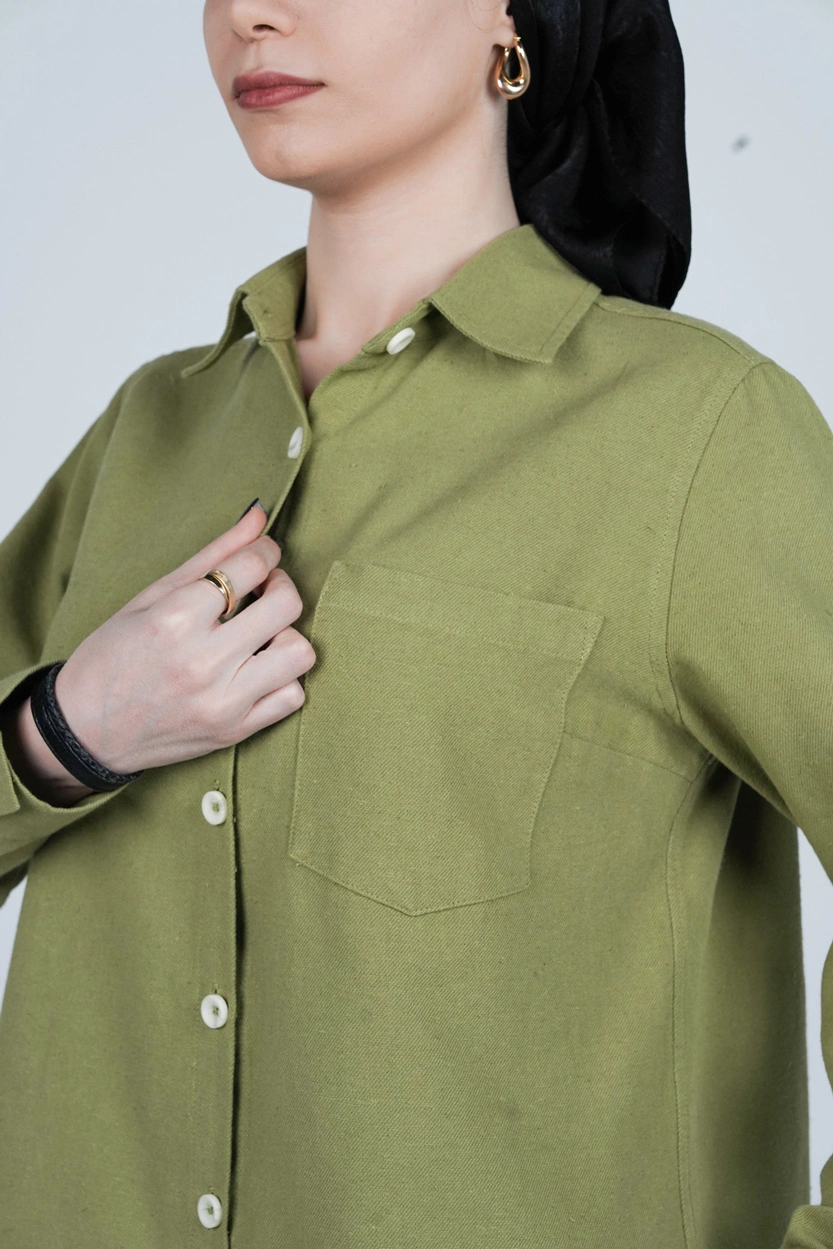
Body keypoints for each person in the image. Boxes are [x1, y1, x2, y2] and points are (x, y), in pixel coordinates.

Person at [0, 1, 830, 1246]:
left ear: (509, 19)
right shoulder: (147, 434)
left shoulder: (700, 436)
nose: (252, 16)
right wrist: (65, 731)